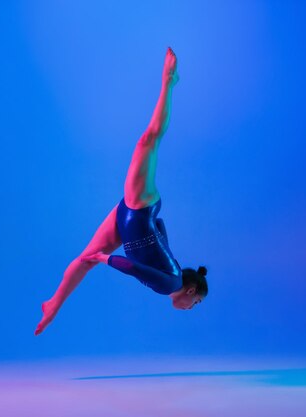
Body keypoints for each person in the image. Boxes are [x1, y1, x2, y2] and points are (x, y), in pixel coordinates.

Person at [34, 47, 208, 336]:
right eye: (197, 302)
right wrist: (106, 259)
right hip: (139, 208)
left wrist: (145, 235)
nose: (192, 307)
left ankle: (53, 304)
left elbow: (161, 230)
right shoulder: (172, 284)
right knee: (147, 142)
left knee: (83, 260)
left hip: (130, 221)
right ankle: (169, 81)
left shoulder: (175, 274)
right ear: (190, 291)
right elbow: (135, 269)